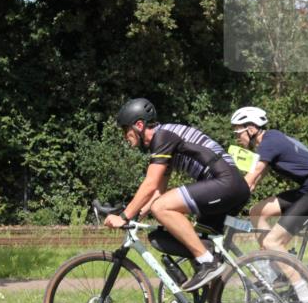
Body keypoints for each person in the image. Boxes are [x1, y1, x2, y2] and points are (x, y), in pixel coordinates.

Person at [104, 98, 250, 292]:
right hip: (228, 185)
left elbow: (150, 185)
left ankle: (207, 262)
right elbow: (157, 190)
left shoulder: (162, 136)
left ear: (139, 125)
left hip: (225, 182)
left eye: (125, 130)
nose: (125, 136)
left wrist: (124, 217)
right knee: (196, 241)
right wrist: (139, 215)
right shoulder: (165, 140)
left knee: (163, 209)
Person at [230, 106, 308, 303]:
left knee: (272, 240)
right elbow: (254, 182)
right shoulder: (267, 143)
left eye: (238, 131)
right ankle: (276, 267)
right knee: (257, 211)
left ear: (251, 128)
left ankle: (306, 299)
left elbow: (251, 177)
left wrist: (226, 202)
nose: (236, 137)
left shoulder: (270, 141)